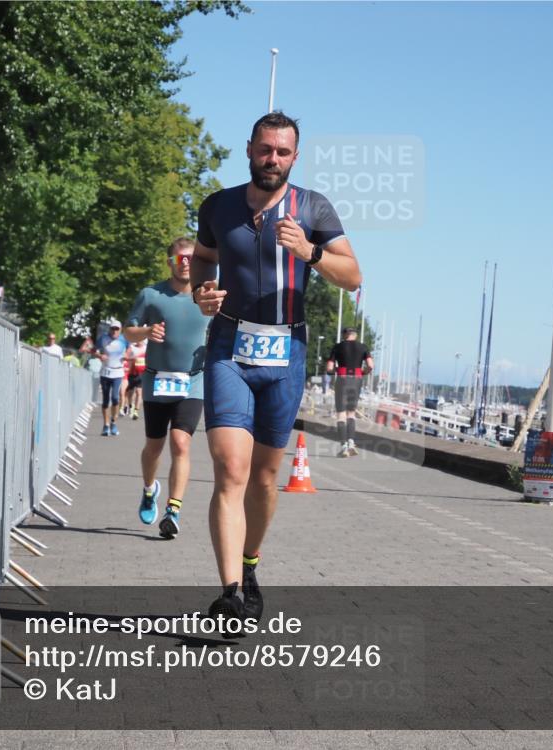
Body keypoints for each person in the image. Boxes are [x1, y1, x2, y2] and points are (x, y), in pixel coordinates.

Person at [191, 111, 361, 626]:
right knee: (231, 471)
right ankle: (230, 594)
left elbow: (352, 276)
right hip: (228, 346)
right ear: (249, 149)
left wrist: (309, 251)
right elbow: (202, 258)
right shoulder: (218, 205)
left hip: (286, 353)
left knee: (265, 479)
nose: (273, 160)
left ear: (295, 156)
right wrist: (203, 291)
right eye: (265, 149)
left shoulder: (313, 207)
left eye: (283, 152)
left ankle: (250, 563)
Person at [123, 238, 208, 537]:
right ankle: (149, 489)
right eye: (179, 258)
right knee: (154, 447)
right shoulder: (151, 295)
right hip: (157, 380)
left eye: (190, 259)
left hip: (194, 381)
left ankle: (173, 510)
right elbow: (129, 332)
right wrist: (146, 331)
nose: (185, 263)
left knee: (181, 444)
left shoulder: (208, 296)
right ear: (170, 262)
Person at [325, 327, 373, 457]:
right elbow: (370, 365)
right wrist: (363, 372)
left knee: (341, 414)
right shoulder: (363, 347)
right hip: (356, 380)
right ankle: (351, 443)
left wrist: (336, 369)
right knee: (351, 414)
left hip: (342, 380)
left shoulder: (337, 347)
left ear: (344, 335)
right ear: (355, 335)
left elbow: (329, 368)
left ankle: (344, 447)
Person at [96, 319, 127, 436]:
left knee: (115, 398)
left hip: (118, 373)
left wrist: (126, 356)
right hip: (105, 372)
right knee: (105, 400)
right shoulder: (103, 338)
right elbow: (94, 350)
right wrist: (100, 355)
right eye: (113, 328)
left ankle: (113, 422)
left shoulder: (124, 339)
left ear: (120, 330)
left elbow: (129, 350)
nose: (114, 331)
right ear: (110, 329)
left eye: (117, 329)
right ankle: (106, 425)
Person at [125, 338, 148, 420]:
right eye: (138, 338)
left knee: (139, 392)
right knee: (130, 393)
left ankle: (136, 411)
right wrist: (132, 359)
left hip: (142, 373)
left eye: (141, 339)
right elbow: (125, 357)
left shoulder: (146, 348)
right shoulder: (132, 347)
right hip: (132, 373)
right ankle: (130, 405)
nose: (140, 340)